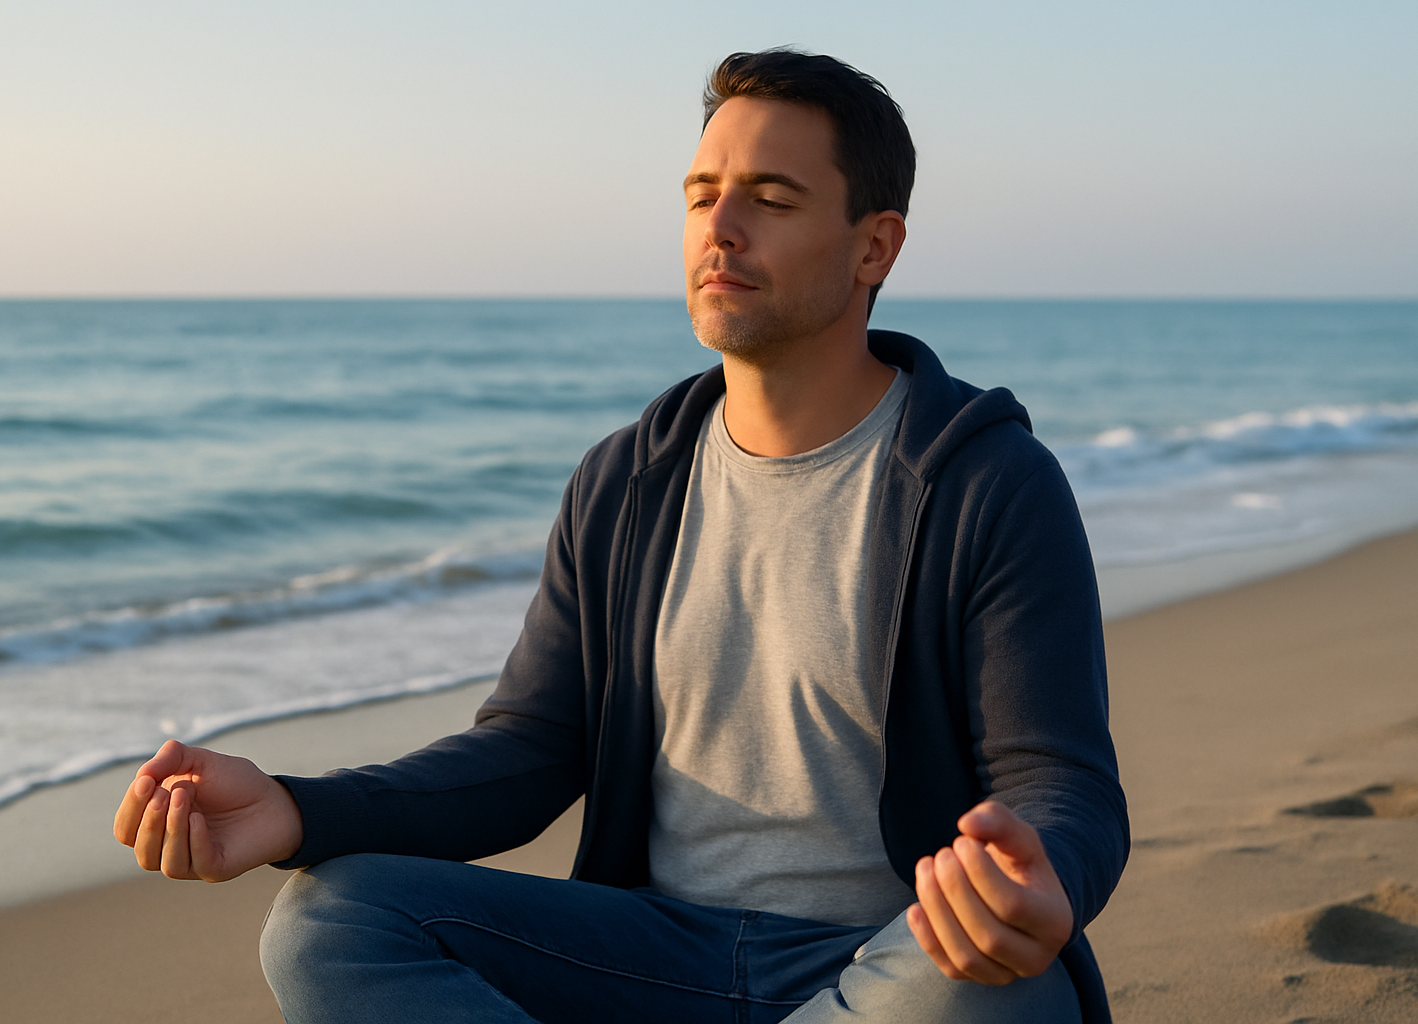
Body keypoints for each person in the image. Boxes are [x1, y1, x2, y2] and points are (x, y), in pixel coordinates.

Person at [113, 49, 1127, 1024]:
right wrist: (297, 807)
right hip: (648, 955)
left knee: (998, 980)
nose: (719, 228)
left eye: (771, 200)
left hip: (886, 961)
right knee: (331, 920)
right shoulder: (626, 483)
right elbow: (529, 748)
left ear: (875, 246)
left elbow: (1061, 783)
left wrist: (1035, 878)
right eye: (700, 194)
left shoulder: (987, 481)